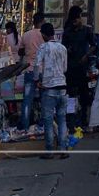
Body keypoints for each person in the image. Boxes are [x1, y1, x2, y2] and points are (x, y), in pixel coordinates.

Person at [34, 22, 69, 158]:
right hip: (62, 87)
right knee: (62, 120)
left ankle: (49, 150)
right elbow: (65, 68)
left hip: (49, 88)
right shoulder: (62, 48)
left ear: (43, 34)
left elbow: (37, 65)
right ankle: (63, 148)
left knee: (48, 120)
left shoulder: (43, 47)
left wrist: (37, 80)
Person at [62, 5, 96, 130]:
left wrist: (86, 55)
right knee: (70, 95)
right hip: (71, 68)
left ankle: (83, 120)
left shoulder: (87, 31)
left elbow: (93, 45)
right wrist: (68, 50)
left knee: (84, 95)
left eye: (78, 18)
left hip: (82, 68)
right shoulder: (67, 32)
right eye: (75, 19)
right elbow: (63, 48)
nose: (77, 21)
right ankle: (71, 120)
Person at [18, 13, 45, 132]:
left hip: (29, 69)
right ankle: (42, 124)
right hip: (43, 70)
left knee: (27, 99)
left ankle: (25, 125)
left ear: (33, 22)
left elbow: (20, 52)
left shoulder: (26, 35)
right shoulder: (45, 35)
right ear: (43, 21)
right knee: (45, 98)